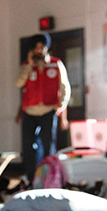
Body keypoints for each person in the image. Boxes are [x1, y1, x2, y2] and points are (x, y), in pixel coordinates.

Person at [16, 33, 70, 183]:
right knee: (28, 147)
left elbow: (65, 86)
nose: (39, 50)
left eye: (42, 47)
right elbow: (19, 83)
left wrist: (61, 105)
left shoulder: (56, 63)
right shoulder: (27, 65)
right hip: (30, 111)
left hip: (48, 110)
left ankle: (49, 177)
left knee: (48, 146)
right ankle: (31, 178)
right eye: (37, 48)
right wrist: (29, 65)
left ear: (46, 48)